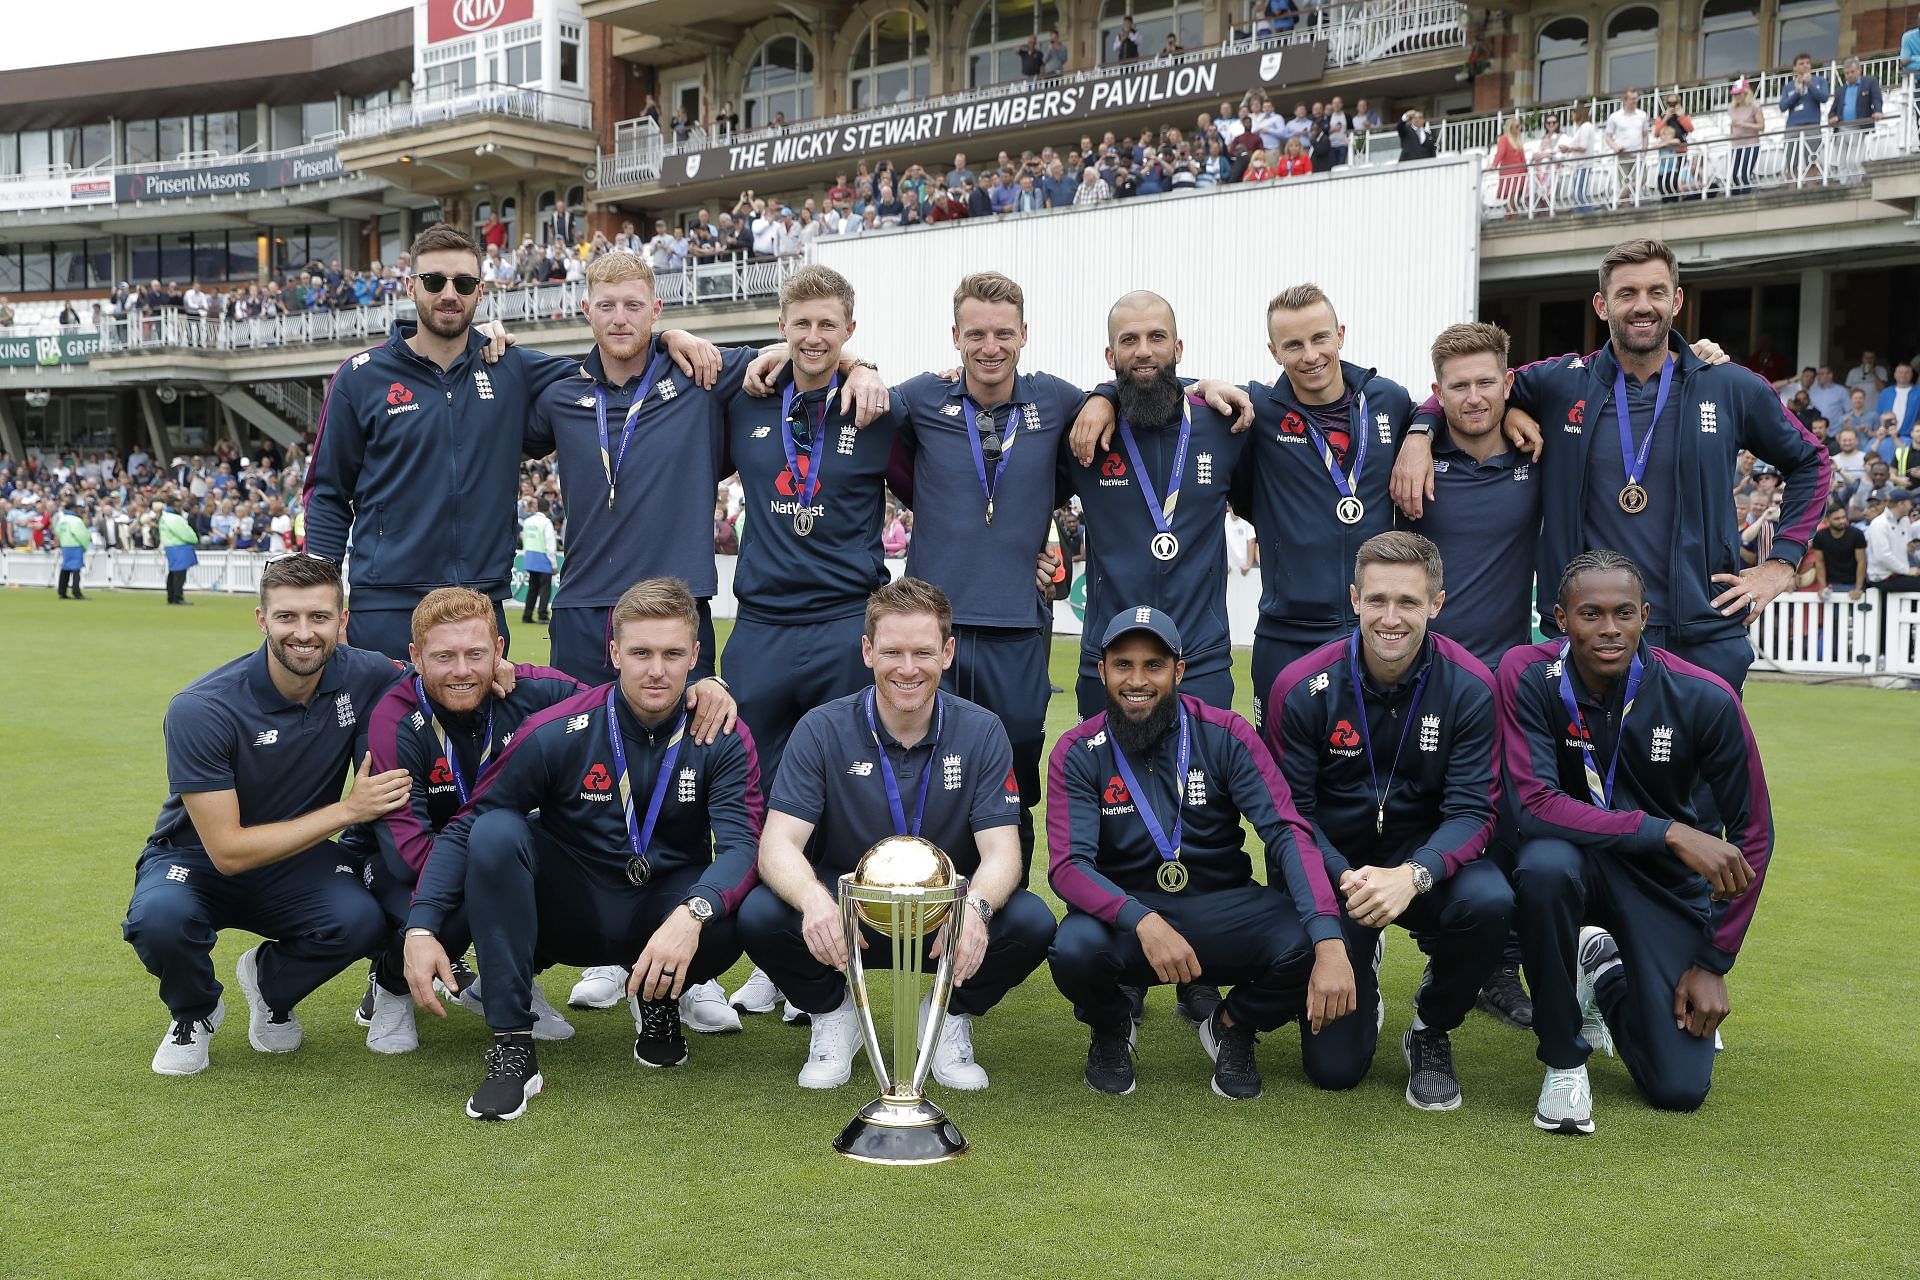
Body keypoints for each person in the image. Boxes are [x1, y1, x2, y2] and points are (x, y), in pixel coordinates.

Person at [1394, 238, 1831, 695]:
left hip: (1701, 635)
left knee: (1705, 767)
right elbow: (1471, 387)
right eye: (1627, 294)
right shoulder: (1562, 383)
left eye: (1656, 292)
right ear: (1602, 305)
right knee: (1590, 767)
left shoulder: (1728, 386)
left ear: (1676, 300)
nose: (1642, 306)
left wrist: (1781, 563)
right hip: (1591, 639)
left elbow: (1811, 461)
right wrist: (1421, 432)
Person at [403, 579, 766, 1121]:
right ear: (615, 653)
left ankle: (659, 1000)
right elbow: (468, 823)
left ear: (695, 655)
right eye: (640, 653)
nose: (656, 670)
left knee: (743, 910)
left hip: (663, 913)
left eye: (672, 654)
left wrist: (693, 914)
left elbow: (742, 844)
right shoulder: (558, 729)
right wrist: (422, 925)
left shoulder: (722, 734)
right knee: (497, 832)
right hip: (572, 912)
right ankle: (512, 1045)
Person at [302, 224, 713, 661]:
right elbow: (328, 493)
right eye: (433, 281)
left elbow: (613, 361)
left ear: (480, 292)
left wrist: (668, 337)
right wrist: (323, 604)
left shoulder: (513, 369)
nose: (448, 293)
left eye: (462, 283)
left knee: (479, 731)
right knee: (379, 729)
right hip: (386, 602)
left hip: (481, 603)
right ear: (410, 286)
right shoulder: (361, 376)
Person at [737, 579, 1056, 1091]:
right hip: (849, 914)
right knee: (758, 913)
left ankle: (948, 1014)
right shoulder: (822, 728)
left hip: (943, 915)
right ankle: (832, 1012)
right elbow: (777, 845)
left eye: (923, 652)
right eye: (893, 652)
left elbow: (1003, 853)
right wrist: (816, 903)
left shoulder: (983, 731)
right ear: (867, 651)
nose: (908, 669)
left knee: (1031, 922)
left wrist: (975, 910)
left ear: (947, 653)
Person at [1500, 551, 1772, 1133]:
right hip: (1571, 858)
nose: (1608, 629)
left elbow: (1754, 834)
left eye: (1624, 613)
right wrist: (1669, 831)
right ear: (1560, 618)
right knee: (1544, 868)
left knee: (1677, 1089)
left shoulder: (1703, 697)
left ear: (1645, 616)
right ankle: (1564, 1059)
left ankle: (1606, 974)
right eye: (1590, 614)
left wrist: (1712, 960)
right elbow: (1536, 806)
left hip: (1659, 882)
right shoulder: (1527, 675)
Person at [1048, 606, 1354, 1098]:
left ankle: (1232, 1024)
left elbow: (1286, 832)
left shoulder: (1227, 733)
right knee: (1073, 948)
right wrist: (1142, 920)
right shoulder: (1079, 750)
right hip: (1130, 916)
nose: (1137, 680)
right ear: (1101, 670)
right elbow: (1068, 867)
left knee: (1305, 938)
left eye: (1154, 665)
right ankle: (1111, 1025)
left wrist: (1328, 936)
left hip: (1219, 907)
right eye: (1123, 664)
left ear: (1179, 671)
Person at [121, 556, 406, 1076]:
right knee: (160, 921)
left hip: (298, 859)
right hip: (198, 857)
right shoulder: (202, 708)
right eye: (287, 617)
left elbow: (442, 670)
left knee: (361, 920)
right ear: (261, 620)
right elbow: (227, 851)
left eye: (319, 617)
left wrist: (507, 669)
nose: (303, 633)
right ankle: (196, 1010)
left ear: (343, 621)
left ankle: (270, 984)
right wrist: (348, 810)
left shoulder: (364, 673)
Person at [1265, 533, 1508, 1109]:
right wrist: (1346, 877)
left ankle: (1431, 1026)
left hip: (1425, 871)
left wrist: (1413, 875)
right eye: (1377, 600)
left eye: (1409, 602)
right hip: (1337, 878)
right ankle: (1358, 953)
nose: (1391, 618)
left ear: (1437, 604)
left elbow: (1474, 812)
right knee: (1335, 1071)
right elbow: (1289, 816)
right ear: (1354, 599)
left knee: (1492, 901)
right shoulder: (1300, 687)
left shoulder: (1472, 686)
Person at [886, 273, 1088, 878]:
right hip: (932, 626)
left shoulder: (1055, 400)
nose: (990, 346)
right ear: (955, 337)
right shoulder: (921, 398)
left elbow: (1125, 393)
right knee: (927, 763)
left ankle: (1006, 897)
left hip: (1016, 621)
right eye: (975, 333)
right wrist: (860, 361)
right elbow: (853, 401)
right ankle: (925, 891)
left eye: (1004, 333)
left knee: (1015, 760)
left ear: (1025, 334)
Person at [357, 589, 589, 1054]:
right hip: (398, 861)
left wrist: (704, 689)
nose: (462, 671)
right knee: (472, 890)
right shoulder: (393, 717)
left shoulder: (531, 690)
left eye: (475, 654)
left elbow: (617, 709)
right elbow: (405, 852)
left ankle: (507, 983)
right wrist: (488, 875)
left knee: (554, 873)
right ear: (416, 657)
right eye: (444, 656)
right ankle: (391, 989)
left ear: (499, 650)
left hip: (487, 848)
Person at [1400, 324, 1542, 1030]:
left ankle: (1501, 965)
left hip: (1510, 683)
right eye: (1458, 385)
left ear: (1508, 383)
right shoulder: (1414, 457)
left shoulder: (1536, 451)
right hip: (1430, 682)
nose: (1475, 396)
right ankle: (1446, 951)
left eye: (1487, 381)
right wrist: (1421, 432)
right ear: (1438, 392)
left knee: (1512, 827)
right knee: (1435, 820)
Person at [1060, 291, 1246, 718]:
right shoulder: (1082, 432)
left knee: (1200, 785)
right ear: (1110, 354)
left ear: (1177, 349)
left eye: (1157, 337)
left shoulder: (1224, 422)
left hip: (1200, 662)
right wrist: (1103, 395)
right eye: (1129, 340)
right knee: (1109, 785)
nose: (1144, 351)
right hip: (1109, 662)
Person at [1866, 487, 1920, 592]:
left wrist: (1911, 549)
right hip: (1882, 576)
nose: (1912, 506)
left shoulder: (1905, 521)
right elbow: (1882, 556)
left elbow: (1907, 548)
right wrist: (1907, 570)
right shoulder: (1879, 524)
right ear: (1901, 504)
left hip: (1900, 573)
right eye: (1909, 503)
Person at [154, 497, 199, 605]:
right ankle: (177, 597)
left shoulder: (164, 517)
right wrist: (194, 539)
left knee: (173, 573)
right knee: (179, 574)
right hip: (179, 547)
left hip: (170, 546)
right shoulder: (175, 518)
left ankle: (171, 597)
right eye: (178, 505)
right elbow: (185, 533)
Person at [519, 498, 556, 625]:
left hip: (530, 558)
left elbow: (525, 539)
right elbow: (550, 545)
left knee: (532, 588)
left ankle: (527, 615)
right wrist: (554, 564)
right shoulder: (546, 523)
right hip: (543, 560)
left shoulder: (528, 521)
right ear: (548, 508)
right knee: (545, 589)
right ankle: (542, 614)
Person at [54, 498, 89, 600]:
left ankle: (62, 591)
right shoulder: (76, 520)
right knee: (76, 569)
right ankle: (76, 592)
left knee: (65, 568)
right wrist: (85, 546)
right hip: (75, 545)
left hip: (65, 545)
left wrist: (62, 542)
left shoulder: (62, 519)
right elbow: (82, 535)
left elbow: (57, 532)